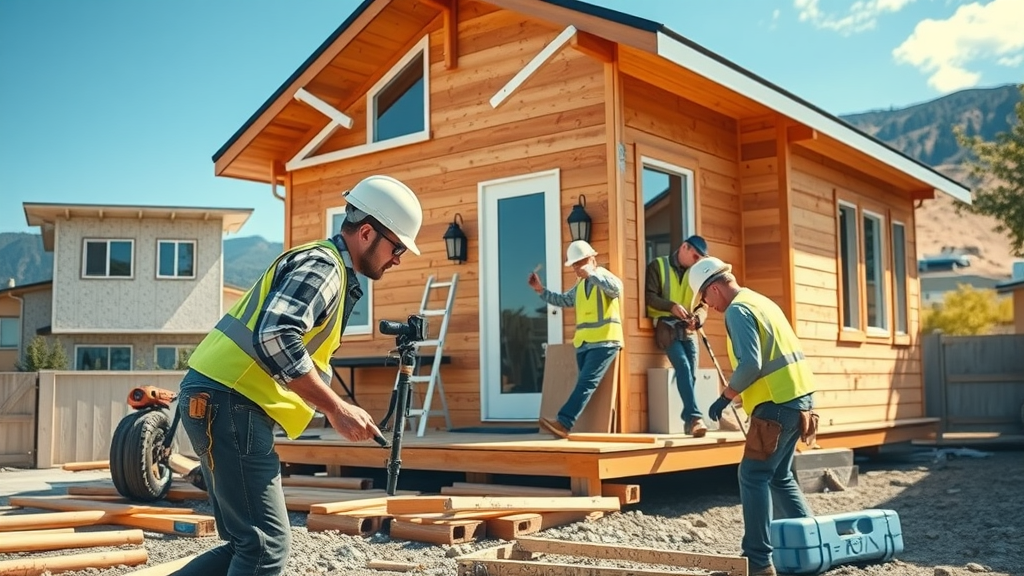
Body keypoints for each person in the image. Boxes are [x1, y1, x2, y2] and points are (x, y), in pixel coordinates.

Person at [172, 175, 423, 576]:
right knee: (265, 547)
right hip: (231, 403)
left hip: (220, 400)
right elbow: (275, 334)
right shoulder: (325, 266)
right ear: (366, 233)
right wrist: (336, 408)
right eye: (397, 247)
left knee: (248, 544)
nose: (398, 259)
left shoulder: (325, 265)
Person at [688, 256, 818, 576]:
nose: (708, 306)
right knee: (779, 476)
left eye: (705, 298)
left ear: (714, 288)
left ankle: (757, 562)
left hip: (776, 405)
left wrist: (725, 397)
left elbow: (751, 363)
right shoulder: (760, 301)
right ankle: (810, 548)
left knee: (753, 475)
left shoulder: (737, 310)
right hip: (800, 399)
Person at [528, 240, 623, 438]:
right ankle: (566, 423)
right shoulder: (580, 285)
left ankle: (564, 423)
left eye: (581, 262)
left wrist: (593, 275)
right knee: (585, 383)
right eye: (574, 264)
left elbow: (616, 290)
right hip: (584, 344)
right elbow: (562, 300)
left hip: (605, 342)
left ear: (593, 259)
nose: (578, 268)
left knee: (586, 383)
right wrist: (540, 290)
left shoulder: (604, 276)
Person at [645, 235, 710, 437]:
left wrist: (697, 319)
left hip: (688, 328)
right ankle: (695, 418)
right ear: (684, 247)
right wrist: (671, 307)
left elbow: (703, 305)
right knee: (683, 366)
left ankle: (689, 421)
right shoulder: (658, 266)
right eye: (695, 256)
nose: (697, 262)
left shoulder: (697, 274)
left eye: (700, 259)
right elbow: (649, 297)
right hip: (666, 326)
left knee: (691, 374)